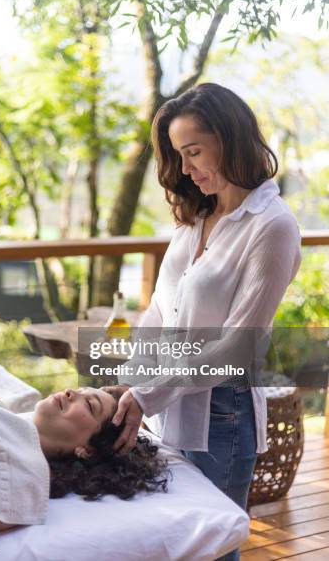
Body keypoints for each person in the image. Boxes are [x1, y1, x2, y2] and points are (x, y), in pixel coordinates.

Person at [103, 83, 302, 561]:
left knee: (210, 548)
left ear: (231, 139)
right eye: (179, 155)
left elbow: (236, 349)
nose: (187, 169)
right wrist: (128, 384)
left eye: (194, 152)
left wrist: (147, 392)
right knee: (172, 540)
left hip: (221, 416)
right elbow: (158, 310)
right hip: (163, 399)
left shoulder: (271, 227)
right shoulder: (196, 217)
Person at [0, 372, 168, 540]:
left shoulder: (21, 480)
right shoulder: (9, 417)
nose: (71, 391)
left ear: (88, 450)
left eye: (89, 405)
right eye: (80, 389)